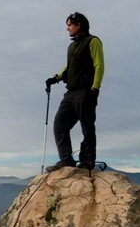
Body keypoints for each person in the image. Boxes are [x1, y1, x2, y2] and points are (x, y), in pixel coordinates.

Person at [45, 12, 105, 172]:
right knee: (59, 124)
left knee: (87, 126)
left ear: (79, 25)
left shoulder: (93, 41)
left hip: (86, 90)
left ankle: (87, 161)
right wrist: (56, 78)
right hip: (70, 92)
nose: (67, 28)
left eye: (70, 25)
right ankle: (66, 160)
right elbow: (69, 67)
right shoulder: (72, 46)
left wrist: (95, 88)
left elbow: (99, 65)